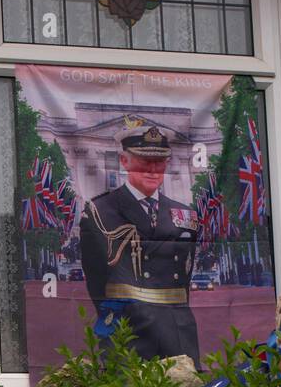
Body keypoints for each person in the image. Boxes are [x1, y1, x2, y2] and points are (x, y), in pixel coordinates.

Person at [79, 125, 201, 365]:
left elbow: (184, 275)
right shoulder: (100, 211)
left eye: (159, 162)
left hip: (176, 325)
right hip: (126, 325)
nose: (152, 170)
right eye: (143, 161)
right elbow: (95, 279)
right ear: (125, 161)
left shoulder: (184, 213)